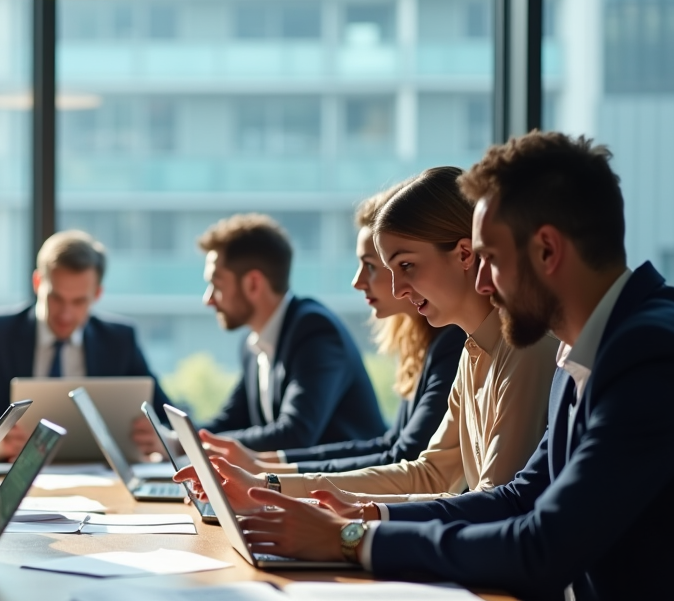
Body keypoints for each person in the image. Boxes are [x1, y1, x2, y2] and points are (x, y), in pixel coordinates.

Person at [225, 133, 674, 601]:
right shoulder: (583, 348)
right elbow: (520, 496)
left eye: (488, 258)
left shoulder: (649, 350)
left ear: (547, 250)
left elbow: (546, 545)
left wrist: (353, 539)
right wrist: (367, 516)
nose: (483, 281)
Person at [178, 167, 559, 508]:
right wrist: (270, 484)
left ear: (463, 254)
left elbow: (493, 503)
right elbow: (428, 474)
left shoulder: (524, 347)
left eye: (406, 265)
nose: (397, 287)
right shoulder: (472, 350)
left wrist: (356, 528)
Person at [202, 185, 466, 474]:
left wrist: (271, 473)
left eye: (375, 266)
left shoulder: (313, 328)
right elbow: (392, 444)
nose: (357, 282)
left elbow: (404, 457)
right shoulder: (422, 342)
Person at [136, 213, 385, 455]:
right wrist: (175, 438)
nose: (208, 299)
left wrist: (182, 445)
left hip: (348, 489)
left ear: (253, 283)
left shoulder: (315, 330)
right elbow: (231, 422)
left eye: (217, 284)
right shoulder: (253, 343)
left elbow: (295, 434)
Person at [0, 229, 172, 458]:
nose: (65, 314)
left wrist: (162, 437)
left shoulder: (119, 340)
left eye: (79, 302)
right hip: (12, 474)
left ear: (97, 294)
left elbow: (167, 417)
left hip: (100, 477)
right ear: (37, 283)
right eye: (55, 298)